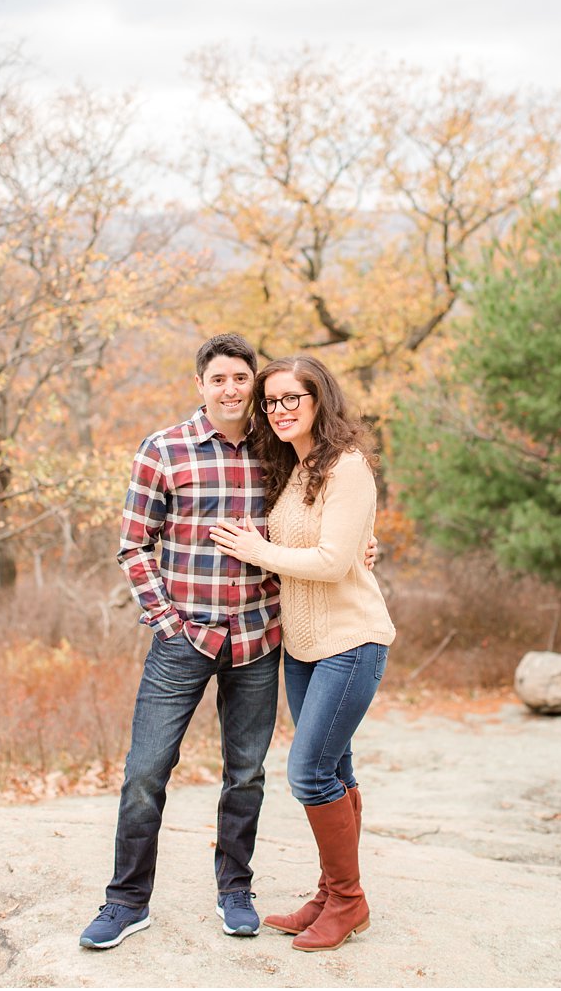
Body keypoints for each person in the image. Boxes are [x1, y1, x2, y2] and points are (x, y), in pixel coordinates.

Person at [79, 334, 376, 951]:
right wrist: (168, 623)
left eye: (244, 380)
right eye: (220, 380)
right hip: (183, 639)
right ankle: (127, 901)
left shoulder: (279, 455)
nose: (234, 391)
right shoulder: (164, 450)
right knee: (145, 773)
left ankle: (235, 892)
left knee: (246, 776)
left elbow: (324, 528)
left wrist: (364, 548)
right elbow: (134, 546)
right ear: (202, 386)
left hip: (260, 637)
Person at [209, 355, 395, 953]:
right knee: (336, 770)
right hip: (303, 648)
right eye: (271, 402)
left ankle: (349, 900)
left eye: (293, 398)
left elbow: (332, 562)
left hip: (351, 641)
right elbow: (331, 541)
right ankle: (330, 892)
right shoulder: (292, 469)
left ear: (320, 400)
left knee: (309, 773)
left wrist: (254, 549)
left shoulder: (347, 466)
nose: (279, 409)